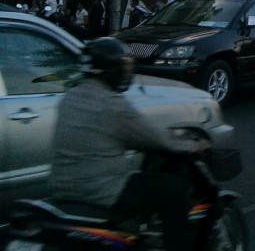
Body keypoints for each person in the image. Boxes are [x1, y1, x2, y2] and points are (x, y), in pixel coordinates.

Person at [49, 37, 206, 251]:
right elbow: (155, 138)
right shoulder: (111, 105)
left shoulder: (70, 98)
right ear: (112, 71)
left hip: (62, 186)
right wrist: (193, 145)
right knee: (175, 191)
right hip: (102, 189)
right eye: (122, 67)